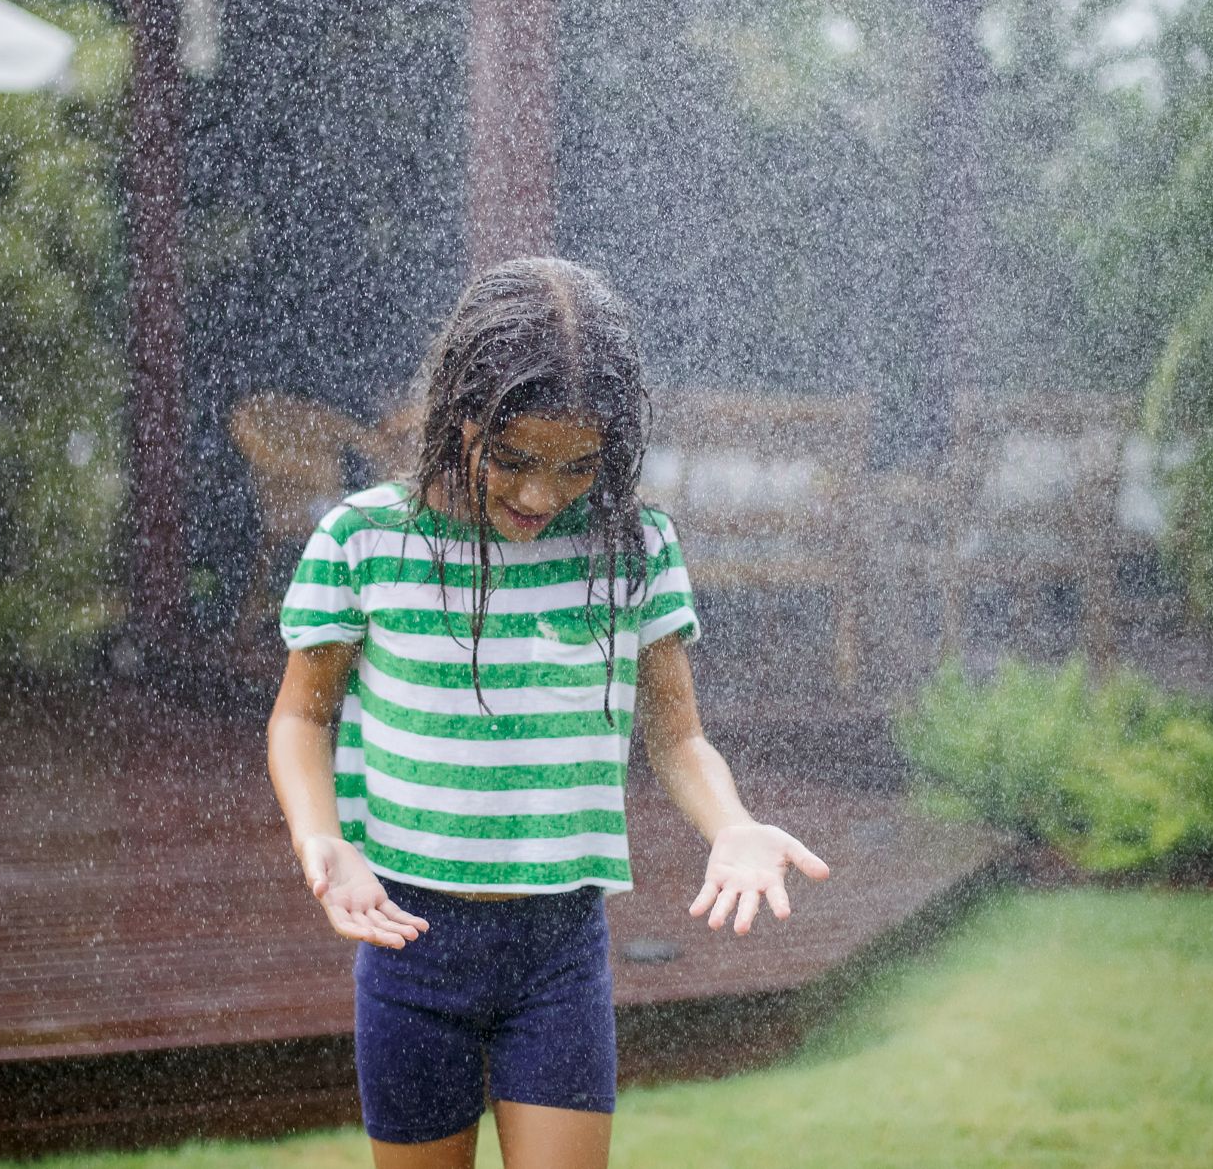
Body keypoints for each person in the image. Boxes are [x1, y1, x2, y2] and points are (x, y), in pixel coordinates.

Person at [266, 257, 831, 1169]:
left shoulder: (632, 547)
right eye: (515, 458)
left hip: (557, 953)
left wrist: (729, 824)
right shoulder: (364, 539)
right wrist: (319, 838)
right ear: (461, 414)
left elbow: (677, 734)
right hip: (409, 940)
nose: (540, 494)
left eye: (578, 465)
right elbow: (301, 718)